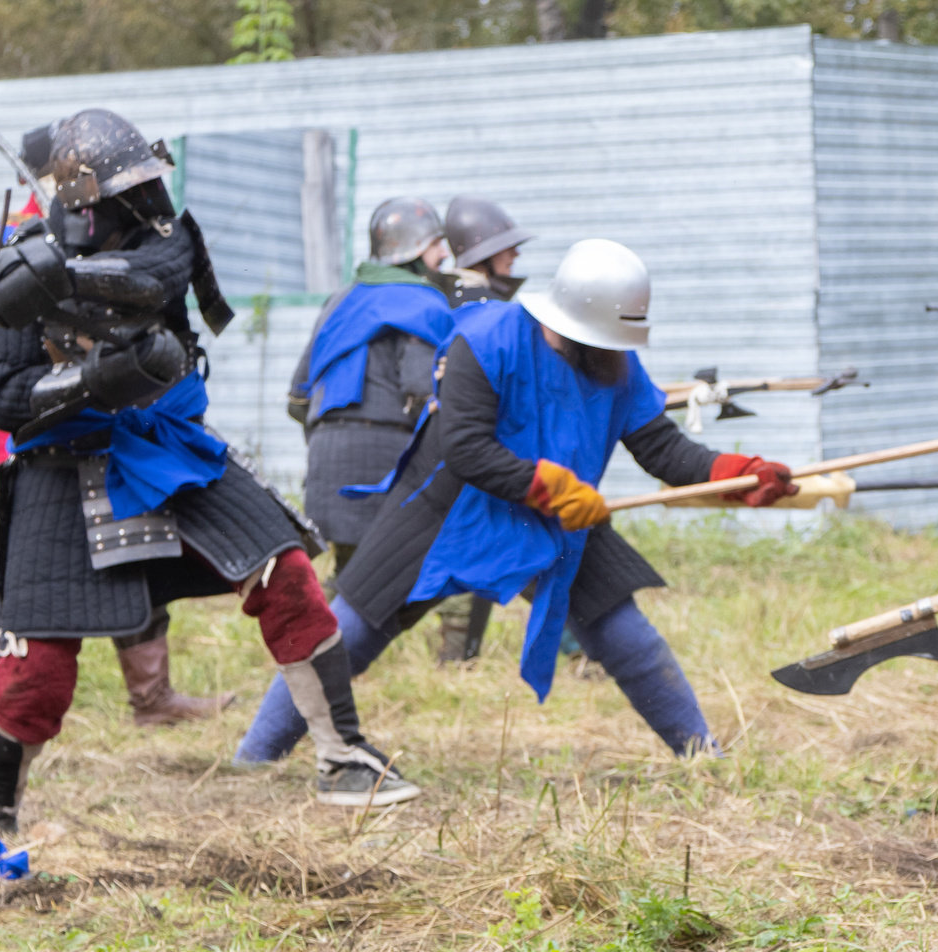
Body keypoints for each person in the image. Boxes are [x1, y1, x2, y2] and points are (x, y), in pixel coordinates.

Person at [0, 109, 412, 828]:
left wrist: (60, 281)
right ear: (86, 201)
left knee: (284, 572)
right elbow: (4, 396)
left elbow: (153, 280)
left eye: (142, 185)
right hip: (57, 464)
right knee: (39, 661)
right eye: (124, 192)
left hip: (162, 442)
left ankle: (343, 754)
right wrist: (83, 373)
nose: (144, 200)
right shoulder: (15, 264)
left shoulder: (162, 236)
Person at [235, 239, 793, 766]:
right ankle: (255, 760)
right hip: (449, 509)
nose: (610, 351)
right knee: (348, 634)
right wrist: (553, 488)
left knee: (626, 636)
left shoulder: (616, 363)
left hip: (553, 518)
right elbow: (465, 447)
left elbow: (663, 449)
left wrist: (735, 474)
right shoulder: (487, 339)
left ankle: (701, 756)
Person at [0, 184, 230, 733]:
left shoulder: (97, 238)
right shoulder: (7, 246)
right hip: (23, 444)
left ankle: (153, 697)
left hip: (102, 435)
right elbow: (2, 352)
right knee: (4, 574)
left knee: (131, 550)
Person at [286, 198, 454, 580]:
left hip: (325, 459)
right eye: (435, 243)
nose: (444, 254)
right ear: (411, 248)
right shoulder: (421, 302)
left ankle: (328, 617)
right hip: (381, 461)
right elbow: (421, 393)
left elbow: (298, 398)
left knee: (354, 574)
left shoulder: (339, 301)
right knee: (388, 583)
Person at [425, 195, 537, 662]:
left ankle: (458, 658)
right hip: (473, 450)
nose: (515, 255)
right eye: (506, 247)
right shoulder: (481, 309)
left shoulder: (452, 302)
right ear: (482, 254)